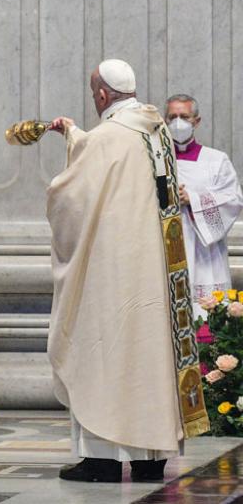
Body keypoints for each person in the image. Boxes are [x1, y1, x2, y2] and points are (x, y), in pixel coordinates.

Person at [46, 59, 208, 482]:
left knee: (108, 352)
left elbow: (70, 199)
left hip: (112, 269)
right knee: (147, 356)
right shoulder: (155, 130)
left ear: (101, 94)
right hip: (155, 267)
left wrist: (76, 147)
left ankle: (102, 458)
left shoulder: (106, 138)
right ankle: (150, 457)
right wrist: (77, 138)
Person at [164, 94, 242, 311]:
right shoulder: (157, 161)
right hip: (168, 247)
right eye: (172, 117)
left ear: (196, 121)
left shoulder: (216, 160)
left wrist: (193, 200)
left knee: (205, 316)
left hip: (205, 252)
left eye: (184, 116)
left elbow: (233, 199)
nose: (177, 122)